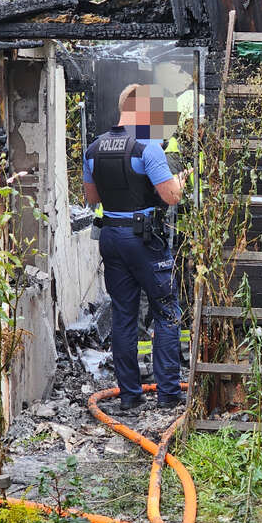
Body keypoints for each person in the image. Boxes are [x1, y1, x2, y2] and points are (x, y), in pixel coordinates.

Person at [83, 84, 192, 410]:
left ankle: (130, 397)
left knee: (124, 316)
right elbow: (171, 196)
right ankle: (169, 396)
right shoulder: (147, 148)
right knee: (167, 311)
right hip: (144, 241)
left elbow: (92, 198)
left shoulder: (94, 148)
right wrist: (180, 182)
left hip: (111, 240)